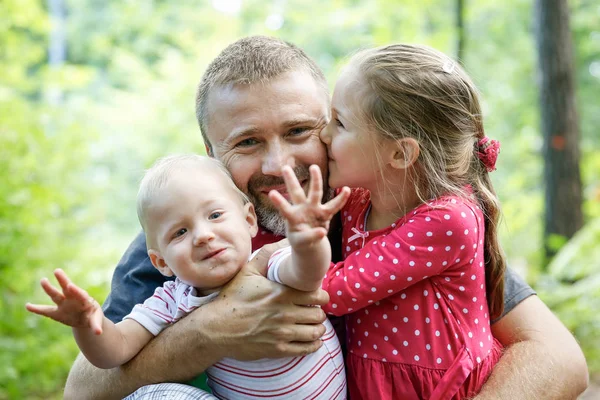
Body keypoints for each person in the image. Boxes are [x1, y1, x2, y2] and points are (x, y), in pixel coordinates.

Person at [64, 36, 588, 400]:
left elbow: (559, 358)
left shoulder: (385, 211)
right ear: (211, 151)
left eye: (299, 131)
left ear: (334, 126)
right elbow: (83, 390)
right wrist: (211, 332)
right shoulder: (185, 237)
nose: (280, 165)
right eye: (247, 142)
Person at [274, 43, 504, 399]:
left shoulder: (449, 220)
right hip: (378, 380)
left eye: (340, 122)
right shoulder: (357, 199)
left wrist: (264, 262)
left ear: (400, 152)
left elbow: (334, 291)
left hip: (436, 387)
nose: (324, 135)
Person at [29, 154, 348, 399]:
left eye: (215, 215)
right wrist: (87, 325)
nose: (203, 235)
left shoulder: (267, 264)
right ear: (160, 261)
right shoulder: (171, 301)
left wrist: (307, 240)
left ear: (248, 219)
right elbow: (114, 352)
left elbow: (307, 273)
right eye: (180, 232)